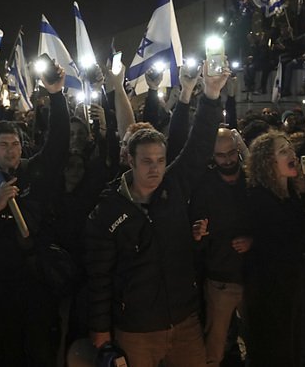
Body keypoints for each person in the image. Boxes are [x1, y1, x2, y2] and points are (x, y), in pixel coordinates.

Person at [84, 61, 228, 367]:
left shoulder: (173, 188)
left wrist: (212, 96)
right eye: (147, 161)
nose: (155, 168)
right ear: (130, 162)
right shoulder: (108, 211)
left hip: (184, 321)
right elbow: (99, 276)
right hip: (137, 329)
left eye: (161, 160)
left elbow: (198, 146)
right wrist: (100, 330)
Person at [0, 57, 70, 367]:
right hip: (4, 283)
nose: (12, 150)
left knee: (41, 349)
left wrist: (56, 96)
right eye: (4, 145)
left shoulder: (34, 172)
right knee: (9, 349)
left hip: (38, 279)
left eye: (15, 143)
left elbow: (58, 144)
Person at [243, 131, 305, 367]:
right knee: (273, 350)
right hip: (269, 290)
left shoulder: (290, 193)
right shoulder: (259, 196)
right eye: (283, 151)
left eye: (290, 148)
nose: (292, 154)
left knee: (291, 346)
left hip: (290, 285)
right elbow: (291, 242)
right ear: (268, 161)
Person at [190, 128, 252, 367]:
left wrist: (253, 241)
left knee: (258, 337)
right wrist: (198, 234)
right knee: (214, 346)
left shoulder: (251, 182)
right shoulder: (205, 186)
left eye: (231, 153)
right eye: (220, 155)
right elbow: (197, 231)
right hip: (220, 276)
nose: (227, 160)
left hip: (251, 273)